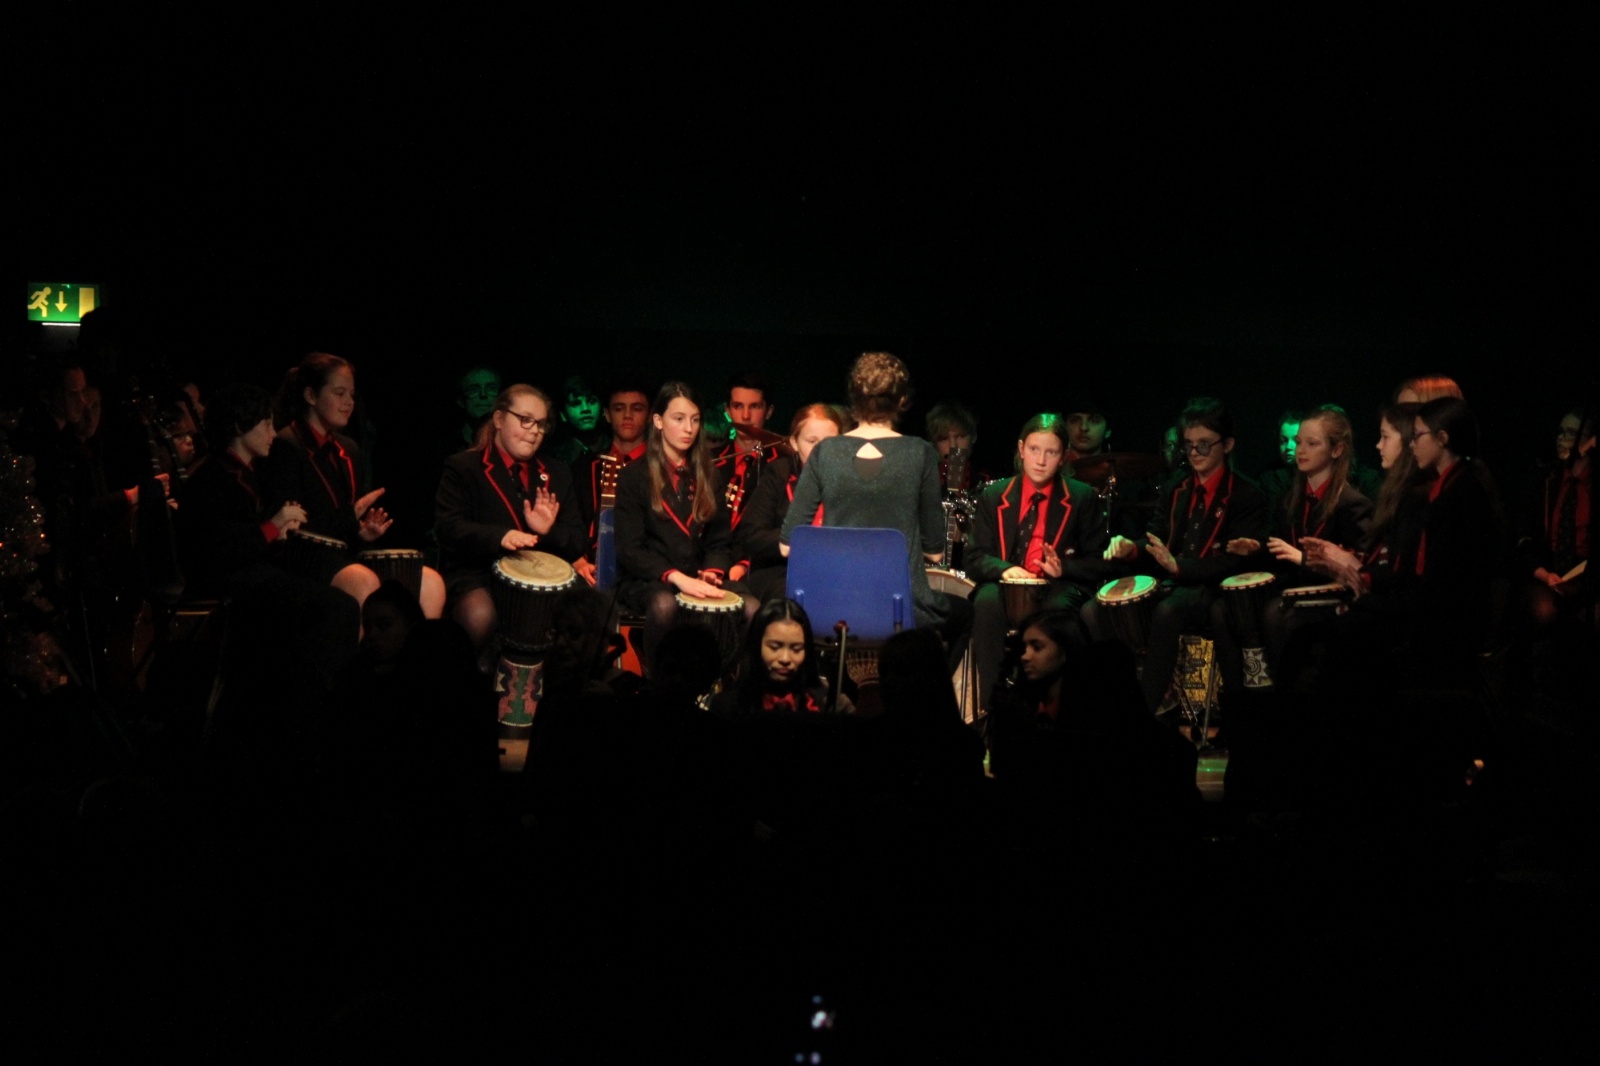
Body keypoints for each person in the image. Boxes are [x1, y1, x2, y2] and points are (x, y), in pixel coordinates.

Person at [781, 352, 971, 652]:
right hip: (901, 610)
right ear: (902, 400)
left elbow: (787, 545)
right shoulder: (920, 453)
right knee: (966, 611)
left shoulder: (825, 452)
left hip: (831, 607)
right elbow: (935, 552)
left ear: (853, 399)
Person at [1087, 396, 1268, 713]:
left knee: (1169, 610)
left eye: (1204, 445)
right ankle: (1111, 702)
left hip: (1212, 589)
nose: (1194, 452)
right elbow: (1155, 541)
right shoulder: (1177, 488)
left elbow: (1231, 563)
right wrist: (1132, 549)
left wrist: (1178, 567)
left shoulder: (1246, 494)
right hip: (1175, 584)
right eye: (1189, 445)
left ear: (1227, 445)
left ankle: (1142, 712)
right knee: (1095, 610)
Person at [265, 352, 446, 617]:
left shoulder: (348, 448)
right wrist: (350, 517)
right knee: (363, 582)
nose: (349, 402)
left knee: (430, 582)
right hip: (307, 559)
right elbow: (293, 530)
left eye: (351, 394)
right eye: (339, 393)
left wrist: (362, 531)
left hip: (347, 554)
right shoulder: (287, 446)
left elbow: (348, 521)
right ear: (311, 396)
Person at [965, 413, 1111, 710]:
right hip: (1008, 586)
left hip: (1057, 585)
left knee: (1056, 612)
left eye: (1051, 452)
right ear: (1021, 449)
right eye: (1034, 450)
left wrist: (1064, 568)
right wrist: (1007, 569)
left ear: (1064, 456)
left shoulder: (1082, 497)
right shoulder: (995, 495)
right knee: (986, 601)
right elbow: (975, 558)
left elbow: (1101, 562)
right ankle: (993, 708)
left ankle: (1050, 706)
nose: (1041, 460)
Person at [435, 384, 587, 655]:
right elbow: (449, 527)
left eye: (540, 424)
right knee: (479, 614)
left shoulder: (557, 472)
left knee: (587, 611)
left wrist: (548, 531)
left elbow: (577, 541)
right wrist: (501, 537)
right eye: (525, 419)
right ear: (499, 419)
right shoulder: (464, 467)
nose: (534, 430)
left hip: (543, 580)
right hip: (481, 574)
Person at [614, 382, 737, 673]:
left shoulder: (709, 474)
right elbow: (630, 549)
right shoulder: (634, 476)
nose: (688, 428)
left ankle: (723, 686)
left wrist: (712, 571)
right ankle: (660, 684)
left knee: (751, 607)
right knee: (664, 605)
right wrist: (676, 577)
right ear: (658, 421)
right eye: (679, 419)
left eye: (695, 420)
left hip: (696, 574)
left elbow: (719, 541)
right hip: (648, 578)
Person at [729, 403, 847, 604]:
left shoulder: (848, 479)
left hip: (833, 569)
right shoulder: (778, 473)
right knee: (795, 596)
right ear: (794, 443)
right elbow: (752, 535)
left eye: (830, 442)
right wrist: (801, 542)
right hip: (780, 570)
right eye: (812, 441)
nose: (821, 451)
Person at [574, 376, 653, 584]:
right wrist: (578, 559)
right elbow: (574, 520)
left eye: (637, 408)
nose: (627, 415)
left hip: (645, 574)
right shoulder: (586, 466)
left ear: (649, 415)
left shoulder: (660, 469)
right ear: (607, 414)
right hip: (590, 568)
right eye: (619, 408)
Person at [711, 598, 845, 715]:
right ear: (756, 645)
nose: (785, 659)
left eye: (796, 649)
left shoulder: (823, 704)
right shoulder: (726, 706)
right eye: (775, 647)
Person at [714, 371, 777, 532]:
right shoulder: (710, 460)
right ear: (728, 410)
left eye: (755, 406)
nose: (746, 416)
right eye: (738, 406)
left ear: (769, 411)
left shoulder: (783, 462)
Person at [548, 374, 603, 466]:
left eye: (591, 401)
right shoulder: (553, 459)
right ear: (563, 415)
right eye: (576, 403)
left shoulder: (618, 449)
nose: (585, 409)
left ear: (603, 410)